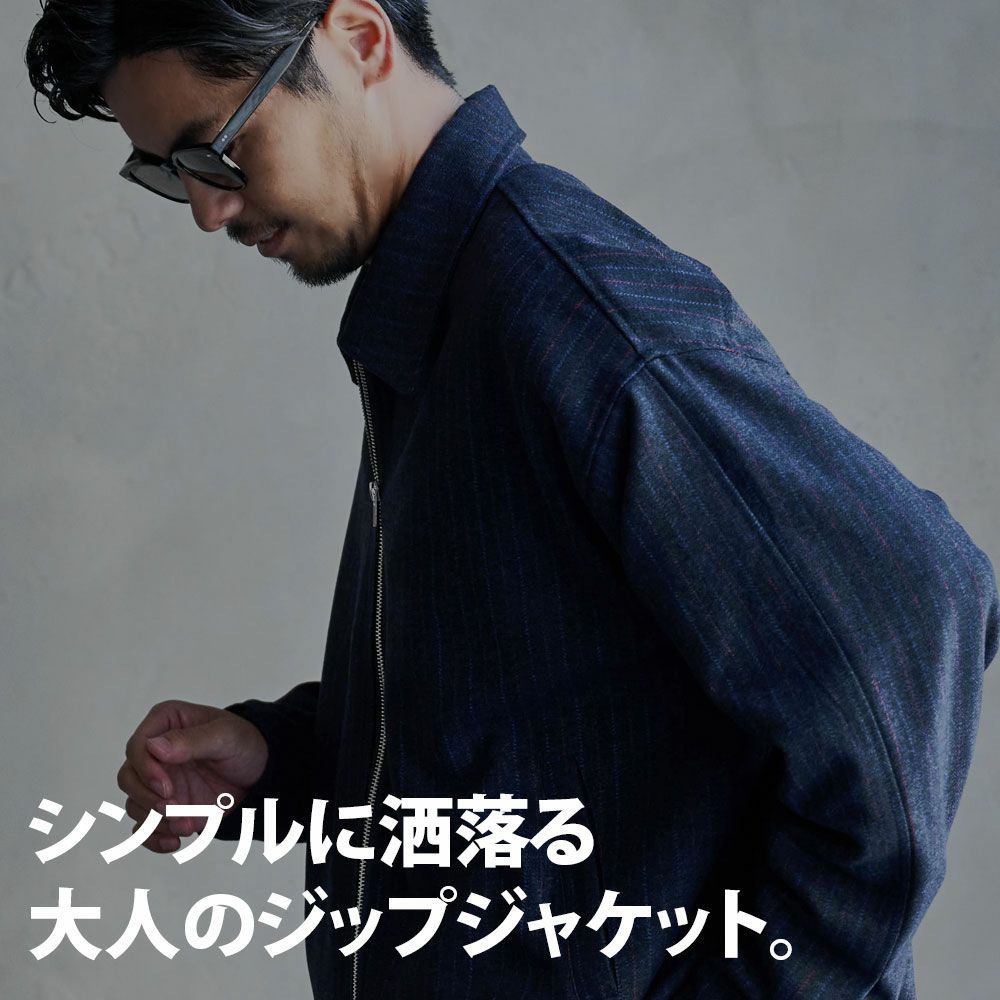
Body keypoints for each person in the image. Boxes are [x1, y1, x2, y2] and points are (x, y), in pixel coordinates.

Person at [24, 2, 999, 997]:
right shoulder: (444, 317)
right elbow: (532, 725)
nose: (207, 210)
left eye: (217, 150)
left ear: (358, 39)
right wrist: (278, 758)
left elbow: (916, 611)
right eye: (171, 173)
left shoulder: (573, 315)